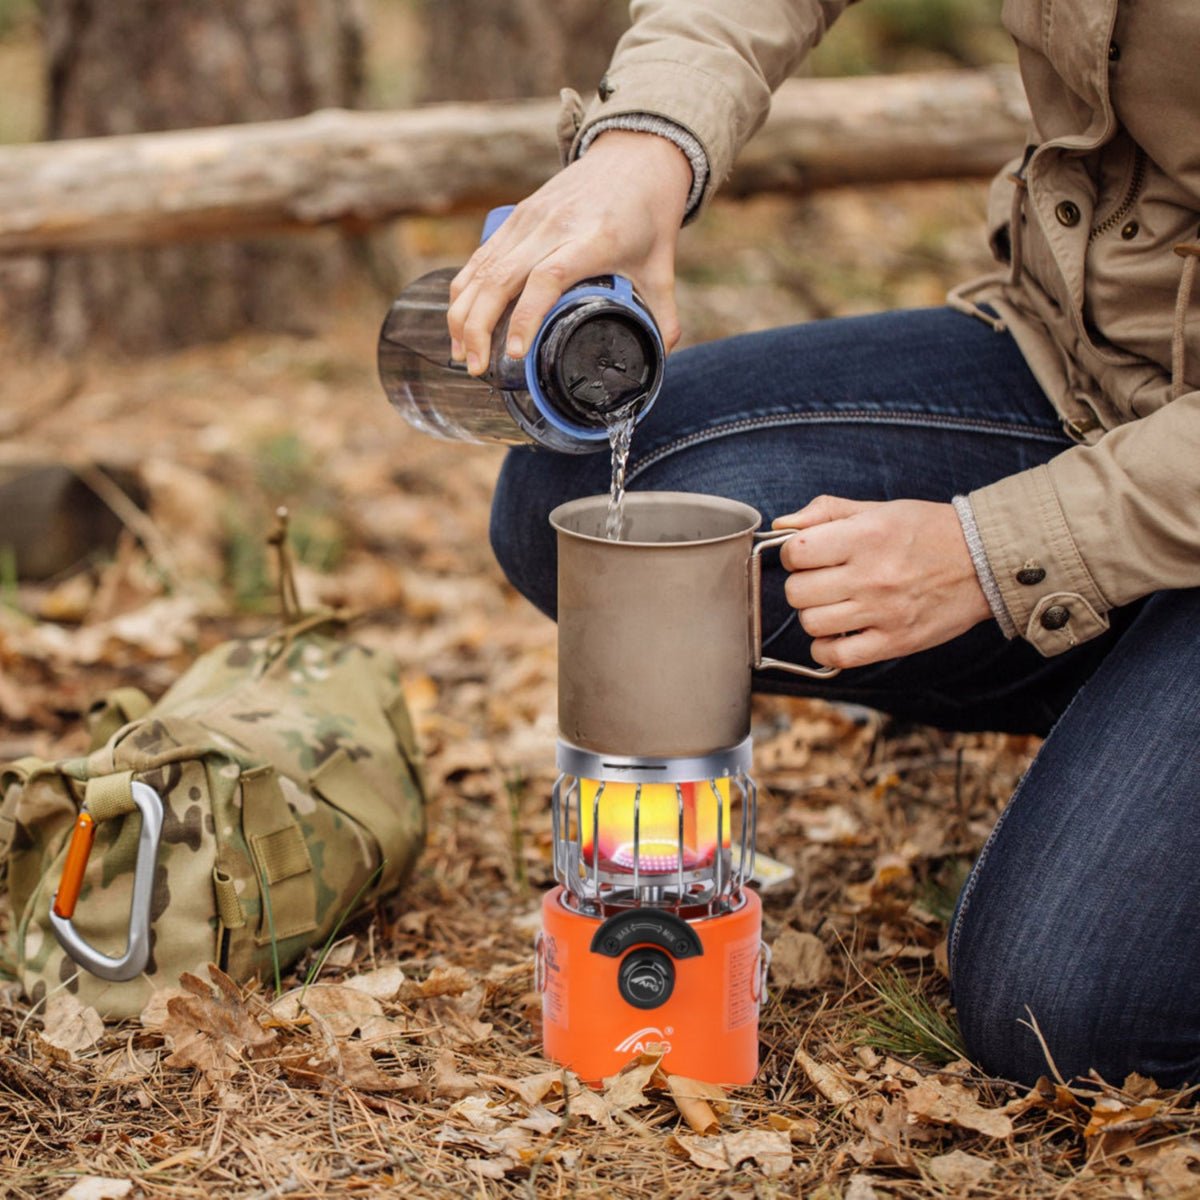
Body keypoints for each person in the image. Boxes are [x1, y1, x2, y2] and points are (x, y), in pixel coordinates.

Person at [448, 0, 1200, 1089]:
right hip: (1082, 368)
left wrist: (1002, 549)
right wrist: (648, 142)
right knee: (591, 512)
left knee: (1064, 1013)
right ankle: (1127, 685)